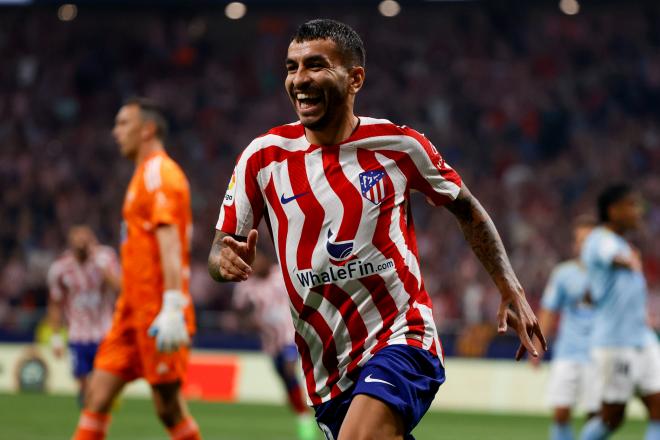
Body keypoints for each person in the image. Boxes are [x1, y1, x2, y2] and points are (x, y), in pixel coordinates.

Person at [208, 19, 545, 440]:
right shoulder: (263, 157)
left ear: (355, 79)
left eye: (315, 65)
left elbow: (467, 209)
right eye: (291, 67)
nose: (299, 80)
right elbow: (220, 251)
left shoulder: (399, 146)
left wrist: (508, 285)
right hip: (327, 368)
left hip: (402, 337)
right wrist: (223, 261)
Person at [71, 98, 201, 440]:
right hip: (130, 312)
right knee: (96, 396)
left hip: (159, 313)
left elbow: (171, 241)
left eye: (123, 124)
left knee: (167, 407)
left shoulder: (161, 174)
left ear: (148, 129)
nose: (115, 132)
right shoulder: (141, 176)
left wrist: (173, 305)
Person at [579, 184, 660, 440]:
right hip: (615, 342)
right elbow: (609, 255)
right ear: (613, 211)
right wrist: (627, 260)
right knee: (613, 417)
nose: (638, 212)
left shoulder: (622, 244)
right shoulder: (600, 240)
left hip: (643, 338)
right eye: (631, 205)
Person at [232, 251, 317, 440]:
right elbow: (239, 314)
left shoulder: (280, 275)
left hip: (290, 336)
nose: (257, 264)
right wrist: (248, 322)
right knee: (286, 381)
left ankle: (309, 413)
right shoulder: (247, 287)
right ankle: (302, 414)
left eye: (259, 259)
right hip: (270, 343)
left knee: (289, 369)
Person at [531, 216, 598, 440]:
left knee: (596, 415)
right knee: (560, 412)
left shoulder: (609, 273)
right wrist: (538, 347)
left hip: (599, 354)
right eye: (581, 241)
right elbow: (549, 311)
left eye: (590, 240)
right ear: (575, 245)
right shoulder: (563, 274)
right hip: (568, 351)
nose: (585, 246)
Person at [47, 225, 120, 405]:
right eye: (78, 244)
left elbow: (120, 288)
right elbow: (55, 304)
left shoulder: (106, 258)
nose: (82, 247)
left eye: (85, 243)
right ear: (71, 245)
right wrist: (56, 337)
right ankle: (89, 407)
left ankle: (96, 411)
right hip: (77, 334)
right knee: (83, 383)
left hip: (104, 332)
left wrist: (102, 268)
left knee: (102, 383)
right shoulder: (60, 268)